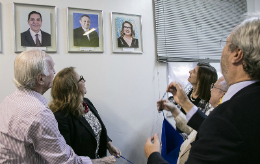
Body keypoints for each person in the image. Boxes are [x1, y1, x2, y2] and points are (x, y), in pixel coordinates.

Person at [145, 12, 260, 163]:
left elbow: (217, 128)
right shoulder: (248, 103)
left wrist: (153, 156)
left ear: (237, 54)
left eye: (225, 43)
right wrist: (183, 102)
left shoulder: (226, 118)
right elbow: (209, 126)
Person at [0, 50, 115, 164]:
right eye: (51, 68)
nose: (54, 72)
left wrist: (107, 143)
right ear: (40, 79)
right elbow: (65, 161)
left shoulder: (9, 100)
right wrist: (101, 162)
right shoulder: (40, 113)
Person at [49, 67, 121, 160]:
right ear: (73, 87)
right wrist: (100, 162)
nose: (84, 80)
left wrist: (109, 144)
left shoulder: (86, 102)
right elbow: (67, 158)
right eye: (81, 79)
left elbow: (95, 129)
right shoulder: (60, 117)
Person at [157, 76, 228, 164]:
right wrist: (174, 110)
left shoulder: (222, 120)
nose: (211, 90)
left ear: (223, 94)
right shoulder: (211, 112)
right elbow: (194, 130)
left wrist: (153, 155)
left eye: (214, 87)